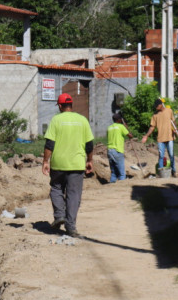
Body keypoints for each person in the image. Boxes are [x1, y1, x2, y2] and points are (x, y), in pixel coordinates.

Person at [42, 93, 94, 237]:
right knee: (74, 195)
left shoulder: (56, 120)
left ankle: (59, 215)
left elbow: (49, 144)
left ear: (59, 106)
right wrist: (89, 160)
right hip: (77, 165)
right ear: (71, 105)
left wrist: (46, 161)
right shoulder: (82, 120)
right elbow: (89, 144)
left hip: (58, 163)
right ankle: (71, 227)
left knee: (56, 188)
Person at [140, 98, 176, 177]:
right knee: (161, 155)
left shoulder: (169, 111)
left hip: (169, 137)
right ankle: (160, 173)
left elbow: (173, 122)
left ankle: (174, 171)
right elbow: (152, 127)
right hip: (160, 139)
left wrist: (174, 129)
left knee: (171, 155)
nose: (156, 108)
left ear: (160, 105)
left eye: (157, 106)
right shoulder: (155, 115)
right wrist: (146, 136)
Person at [105, 111, 132, 181]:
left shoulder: (109, 128)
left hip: (109, 150)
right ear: (119, 120)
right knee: (122, 173)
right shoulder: (121, 127)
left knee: (113, 172)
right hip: (117, 150)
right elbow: (130, 136)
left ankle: (112, 186)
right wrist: (126, 127)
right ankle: (121, 187)